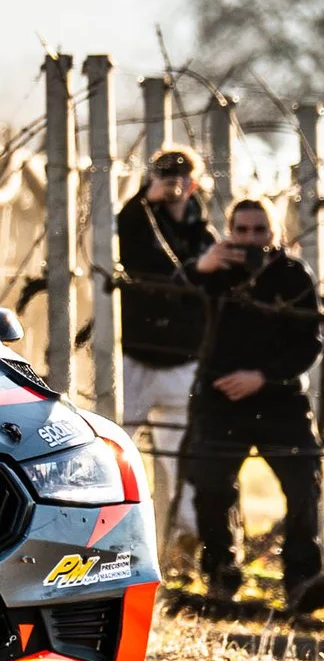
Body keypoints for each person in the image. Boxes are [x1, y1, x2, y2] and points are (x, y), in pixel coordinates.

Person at [179, 197, 323, 604]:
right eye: (241, 230)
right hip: (219, 401)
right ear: (229, 231)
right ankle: (220, 573)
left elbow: (310, 342)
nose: (250, 238)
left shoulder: (293, 274)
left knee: (302, 485)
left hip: (280, 400)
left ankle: (301, 579)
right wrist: (197, 271)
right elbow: (170, 302)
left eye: (259, 230)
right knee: (210, 487)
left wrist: (263, 377)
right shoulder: (214, 271)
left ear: (273, 232)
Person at [117, 147, 215, 547]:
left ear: (193, 184)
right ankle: (114, 536)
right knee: (116, 449)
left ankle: (188, 539)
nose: (172, 185)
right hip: (136, 353)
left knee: (182, 459)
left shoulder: (203, 236)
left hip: (182, 360)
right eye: (163, 177)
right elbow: (125, 239)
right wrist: (145, 200)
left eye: (179, 178)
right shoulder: (137, 220)